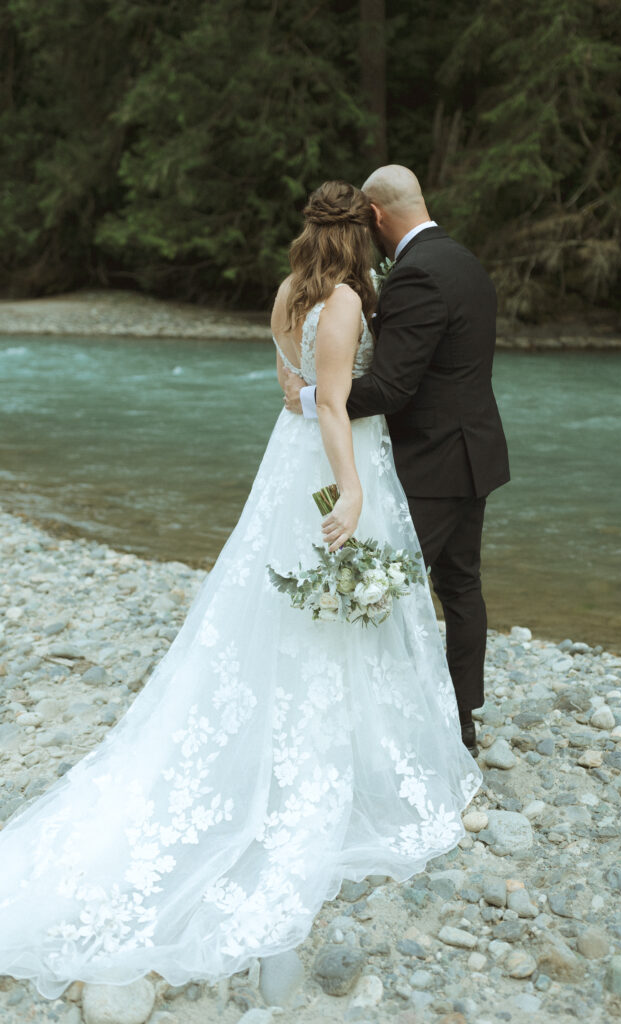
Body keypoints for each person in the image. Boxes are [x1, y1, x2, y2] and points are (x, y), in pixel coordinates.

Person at [0, 180, 481, 1001]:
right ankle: (340, 757)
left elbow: (288, 392)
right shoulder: (344, 305)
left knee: (286, 607)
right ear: (356, 237)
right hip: (335, 463)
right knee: (335, 600)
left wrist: (313, 420)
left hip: (282, 465)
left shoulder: (286, 295)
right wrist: (351, 492)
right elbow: (330, 405)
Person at [284, 165, 510, 756]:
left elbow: (391, 388)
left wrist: (311, 398)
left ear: (377, 216)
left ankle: (396, 721)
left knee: (390, 588)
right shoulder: (464, 260)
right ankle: (461, 716)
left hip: (432, 462)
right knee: (461, 588)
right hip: (476, 451)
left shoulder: (414, 277)